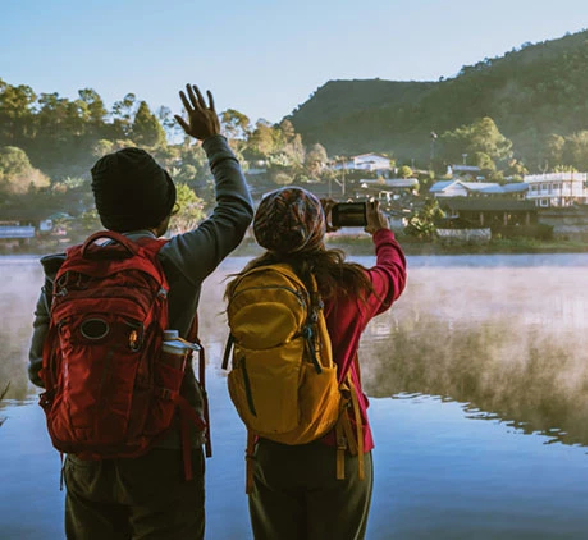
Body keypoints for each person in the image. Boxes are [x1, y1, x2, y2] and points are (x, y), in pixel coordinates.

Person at [26, 84, 253, 539]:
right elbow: (235, 210)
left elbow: (38, 369)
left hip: (85, 454)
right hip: (164, 452)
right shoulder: (177, 260)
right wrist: (212, 139)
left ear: (103, 211)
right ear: (165, 212)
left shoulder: (64, 272)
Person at [226, 188, 406, 539]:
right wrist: (381, 233)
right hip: (336, 449)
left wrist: (314, 232)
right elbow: (393, 275)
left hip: (271, 446)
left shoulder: (248, 289)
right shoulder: (348, 287)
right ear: (316, 231)